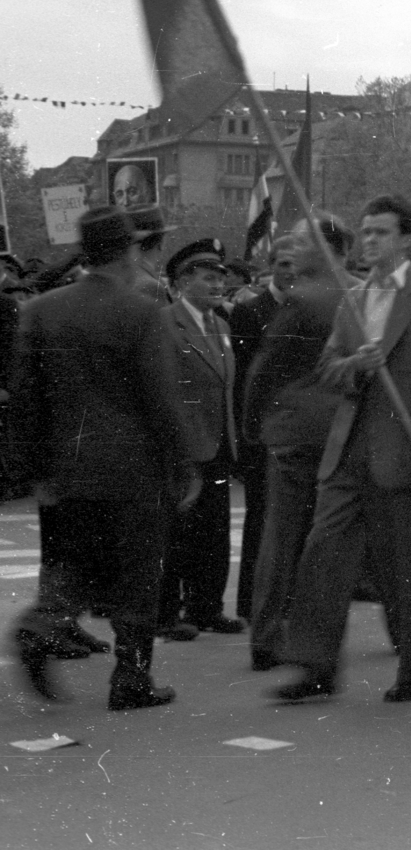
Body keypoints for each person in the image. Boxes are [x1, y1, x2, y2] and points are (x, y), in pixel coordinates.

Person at [273, 194, 411, 705]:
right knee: (323, 550)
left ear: (406, 239)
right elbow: (327, 368)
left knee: (403, 564)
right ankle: (314, 665)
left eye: (381, 232)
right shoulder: (352, 299)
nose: (370, 241)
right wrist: (356, 364)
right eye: (366, 232)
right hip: (349, 448)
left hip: (405, 453)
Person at [8, 206, 190, 709]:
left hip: (65, 466)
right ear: (129, 251)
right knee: (137, 572)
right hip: (132, 467)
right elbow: (160, 398)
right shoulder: (140, 312)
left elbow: (25, 398)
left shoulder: (41, 309)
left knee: (75, 561)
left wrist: (31, 471)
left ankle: (40, 622)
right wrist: (181, 463)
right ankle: (131, 679)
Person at [244, 216, 354, 672]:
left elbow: (264, 370)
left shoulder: (303, 298)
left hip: (296, 432)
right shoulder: (362, 294)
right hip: (344, 428)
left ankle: (267, 635)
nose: (293, 249)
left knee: (281, 536)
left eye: (302, 242)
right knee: (334, 540)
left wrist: (251, 424)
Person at [157, 239, 243, 639]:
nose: (218, 286)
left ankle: (207, 607)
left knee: (215, 530)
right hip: (185, 445)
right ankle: (168, 614)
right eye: (209, 278)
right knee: (178, 534)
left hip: (219, 443)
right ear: (183, 281)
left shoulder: (221, 325)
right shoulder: (165, 323)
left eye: (220, 279)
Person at [229, 236, 296, 623]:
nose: (289, 271)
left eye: (294, 264)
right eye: (282, 264)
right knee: (260, 519)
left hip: (296, 430)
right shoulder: (250, 312)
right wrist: (247, 433)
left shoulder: (309, 309)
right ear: (270, 266)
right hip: (263, 432)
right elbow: (243, 382)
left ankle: (285, 601)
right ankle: (250, 603)